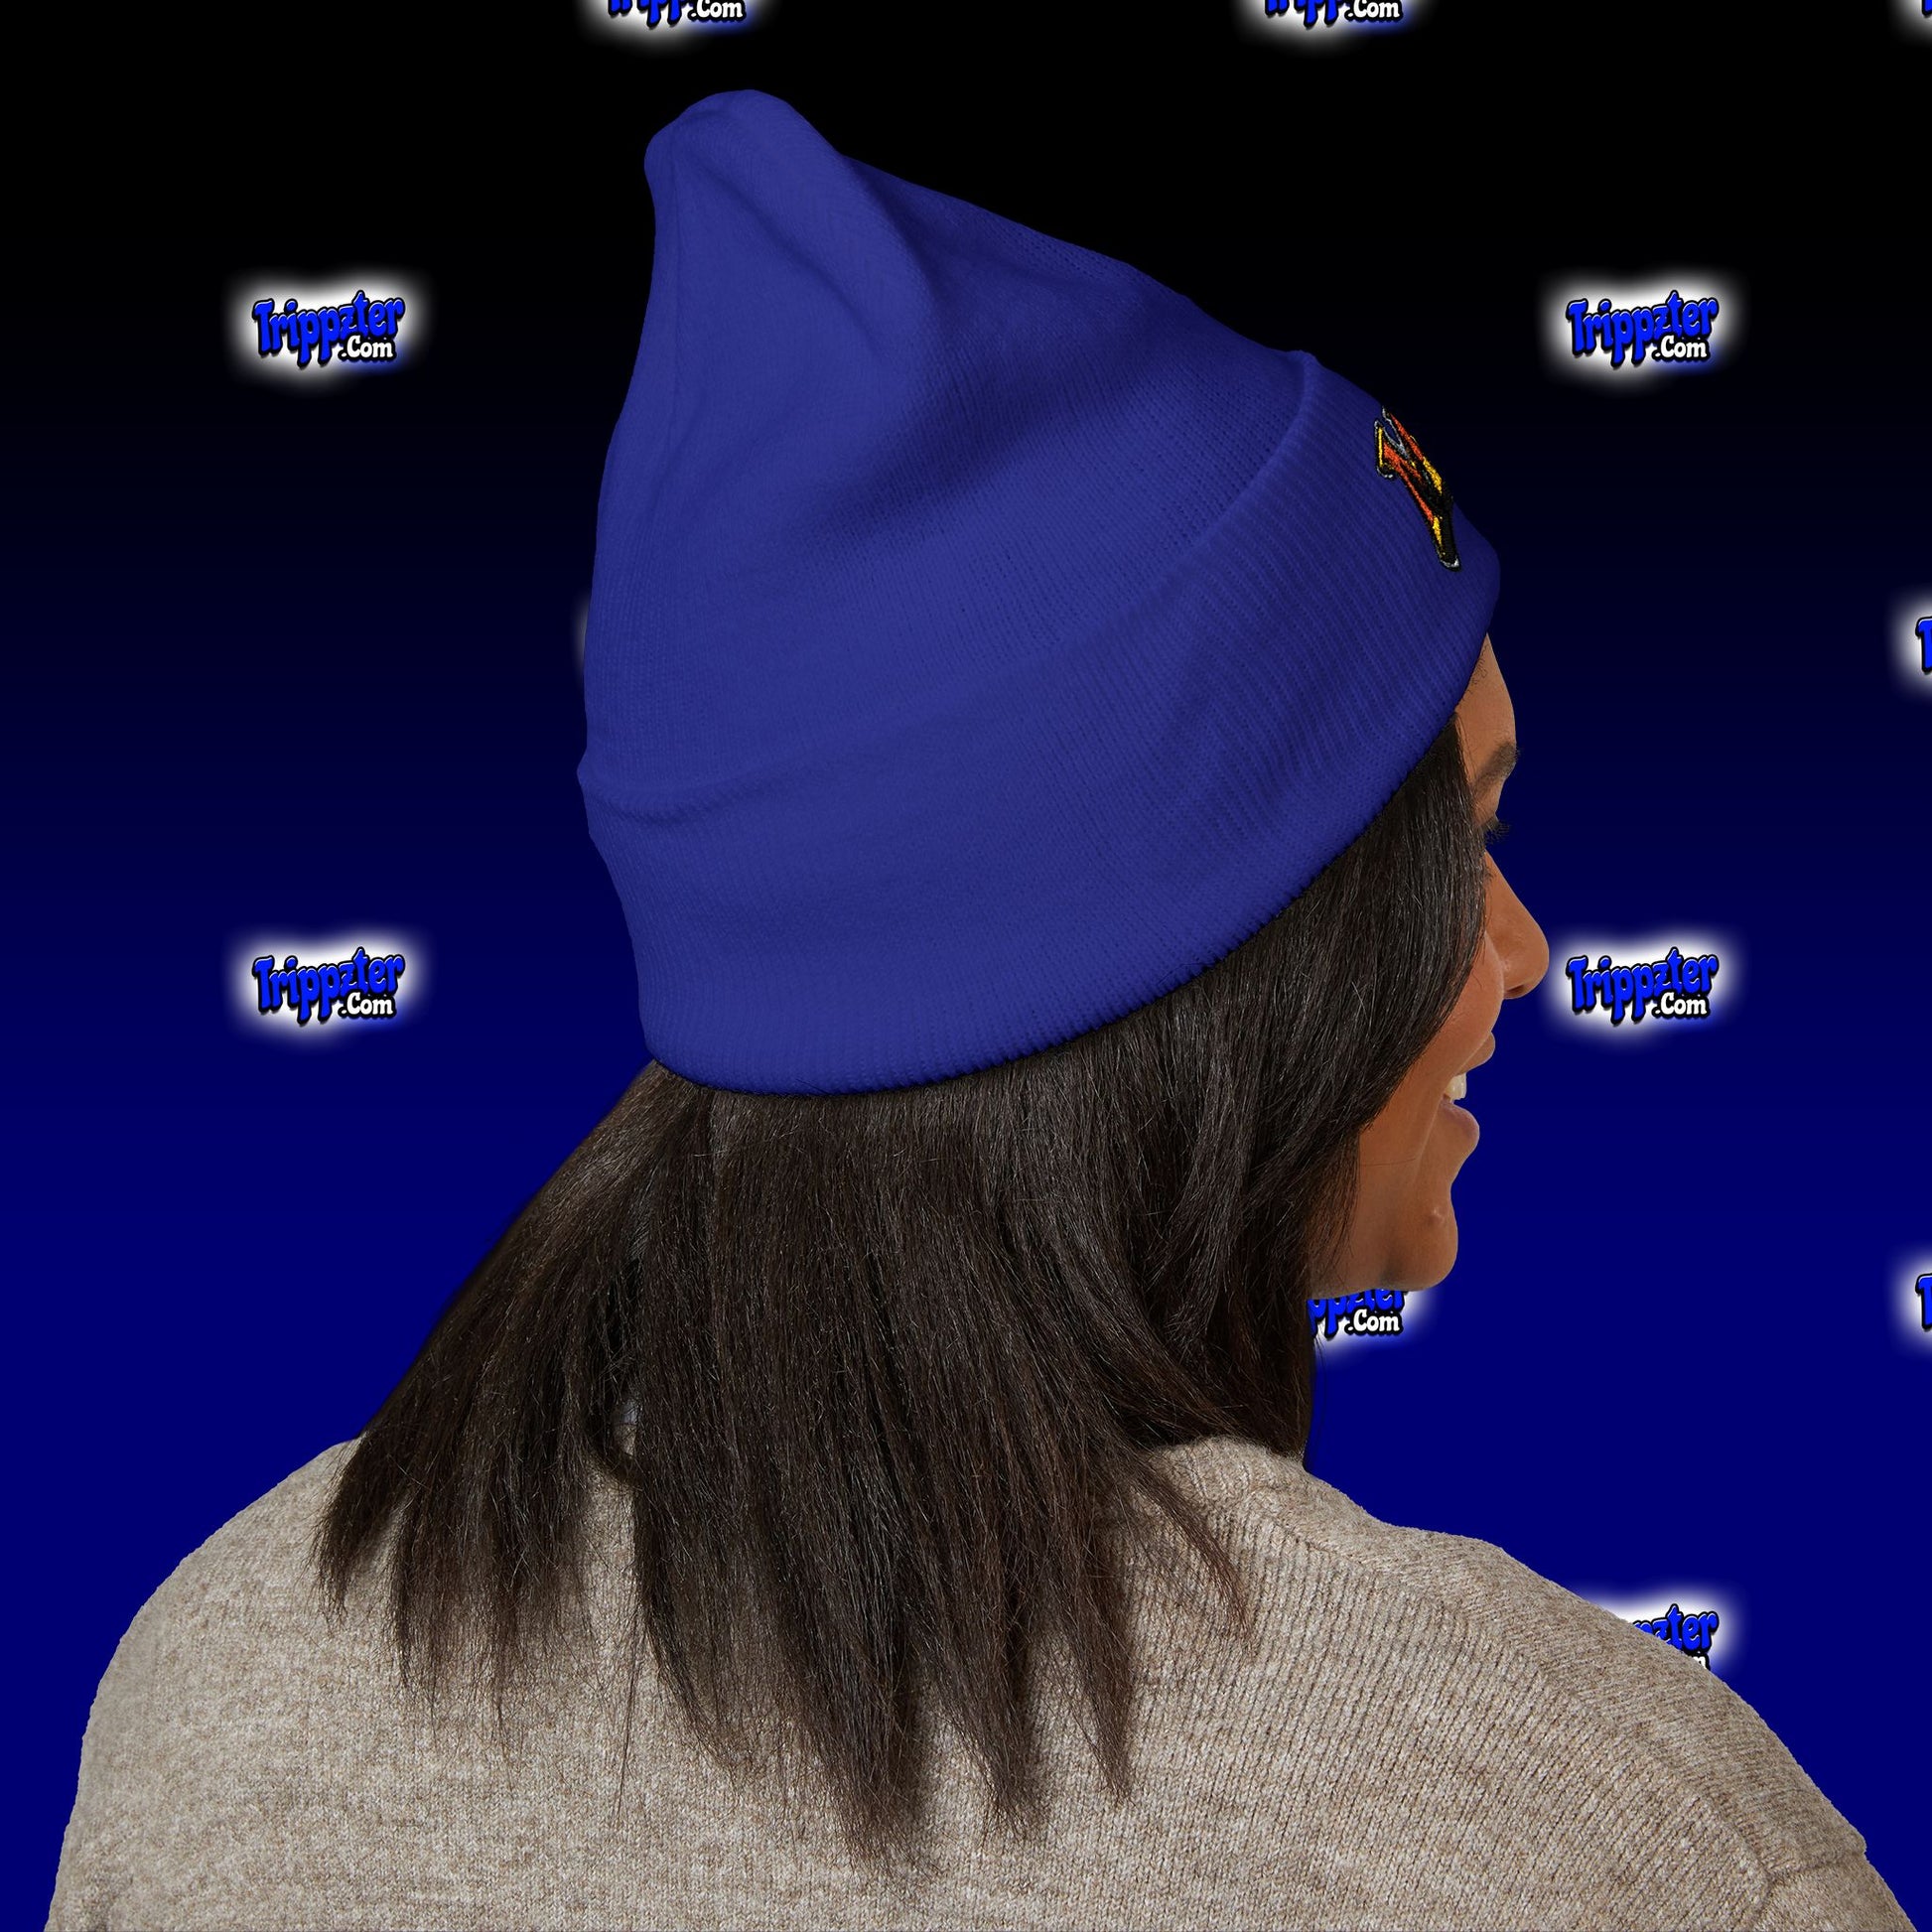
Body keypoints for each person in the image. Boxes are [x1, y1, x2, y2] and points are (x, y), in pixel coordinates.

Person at [48, 91, 1912, 1932]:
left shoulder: (222, 1691)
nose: (1520, 951)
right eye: (1464, 847)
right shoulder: (1582, 1831)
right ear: (1225, 962)